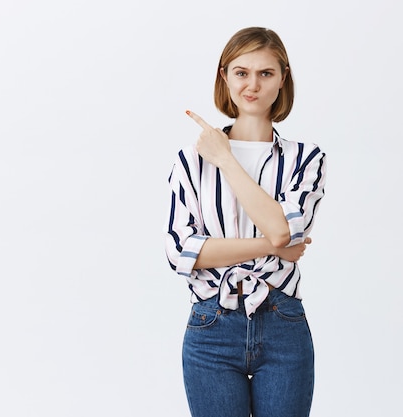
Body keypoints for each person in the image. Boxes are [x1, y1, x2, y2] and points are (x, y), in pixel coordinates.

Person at [164, 27, 327, 417]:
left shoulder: (306, 159)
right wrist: (273, 245)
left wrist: (225, 159)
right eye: (241, 72)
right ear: (224, 76)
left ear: (283, 78)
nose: (252, 85)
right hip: (211, 328)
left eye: (265, 73)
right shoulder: (191, 161)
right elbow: (181, 252)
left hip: (282, 322)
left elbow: (284, 229)